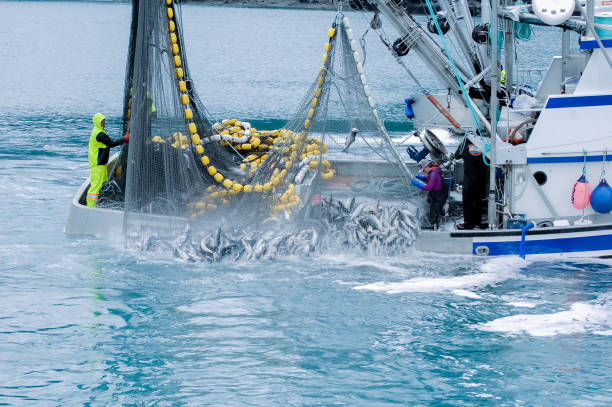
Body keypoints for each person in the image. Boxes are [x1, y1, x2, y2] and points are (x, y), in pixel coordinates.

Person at [87, 113, 129, 207]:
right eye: (102, 121)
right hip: (97, 164)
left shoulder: (100, 131)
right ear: (98, 122)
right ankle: (91, 206)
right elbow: (111, 143)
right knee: (96, 186)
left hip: (101, 163)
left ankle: (99, 203)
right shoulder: (99, 134)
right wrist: (125, 139)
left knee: (103, 183)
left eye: (104, 121)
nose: (104, 123)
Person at [453, 139, 488, 229]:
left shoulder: (464, 145)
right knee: (478, 200)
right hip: (481, 178)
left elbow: (456, 156)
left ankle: (468, 224)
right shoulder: (484, 144)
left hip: (469, 178)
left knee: (468, 201)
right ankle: (477, 223)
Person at [411, 160, 448, 229]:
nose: (423, 171)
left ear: (428, 166)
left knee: (433, 211)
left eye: (423, 169)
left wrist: (416, 183)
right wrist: (423, 177)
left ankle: (434, 225)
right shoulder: (435, 170)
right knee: (431, 202)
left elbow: (428, 187)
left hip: (439, 195)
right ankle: (440, 211)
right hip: (441, 192)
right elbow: (431, 179)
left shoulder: (433, 174)